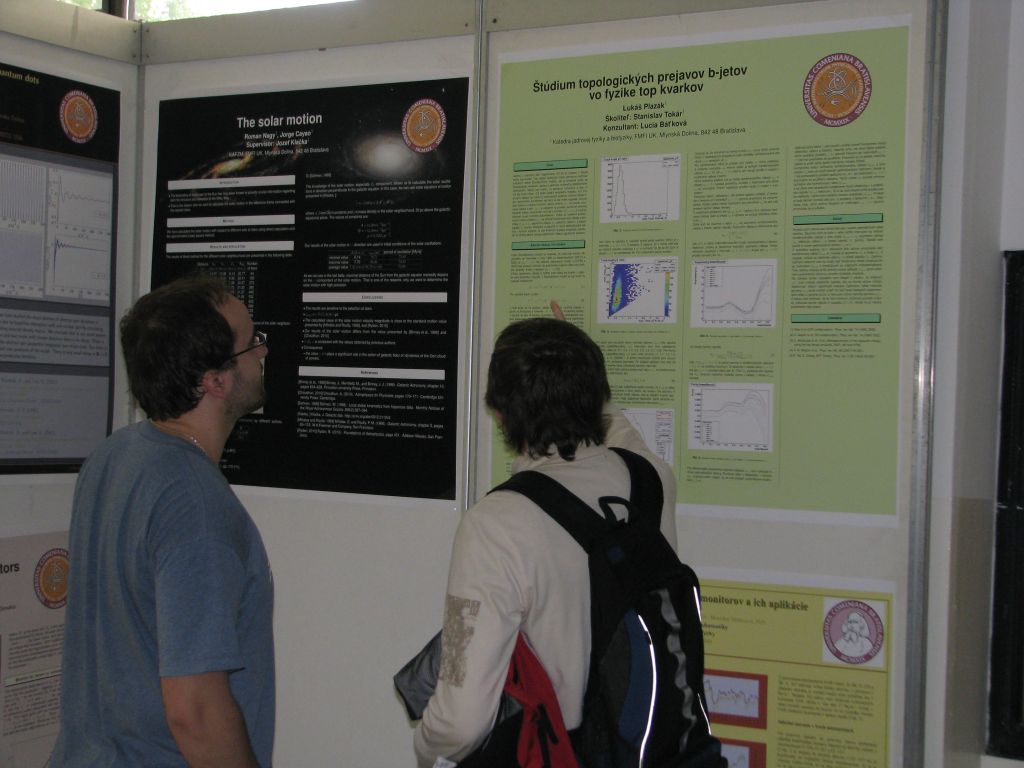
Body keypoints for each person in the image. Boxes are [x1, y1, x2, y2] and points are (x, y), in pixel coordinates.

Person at [413, 306, 678, 767]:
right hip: (654, 750)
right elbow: (618, 429)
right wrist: (573, 370)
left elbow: (461, 722)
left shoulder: (496, 524)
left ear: (500, 415)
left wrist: (425, 745)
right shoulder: (651, 479)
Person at [51, 274, 275, 768]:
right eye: (251, 343)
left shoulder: (115, 455)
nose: (262, 351)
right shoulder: (196, 504)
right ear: (215, 380)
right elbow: (195, 711)